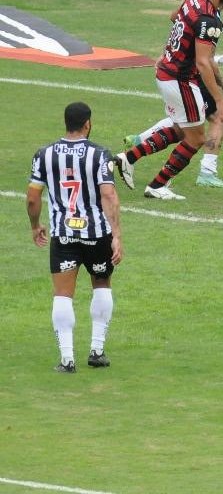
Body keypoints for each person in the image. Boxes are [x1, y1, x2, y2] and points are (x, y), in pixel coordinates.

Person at [113, 0, 223, 201]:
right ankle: (157, 185)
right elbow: (203, 62)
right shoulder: (209, 19)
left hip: (168, 73)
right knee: (197, 138)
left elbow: (175, 18)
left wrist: (172, 51)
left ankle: (127, 158)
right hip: (181, 79)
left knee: (183, 130)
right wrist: (221, 101)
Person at [27, 102, 124, 373]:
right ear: (88, 123)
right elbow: (108, 195)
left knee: (62, 295)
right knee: (102, 284)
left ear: (65, 123)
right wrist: (116, 235)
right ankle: (96, 350)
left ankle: (67, 359)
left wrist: (36, 226)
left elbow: (33, 197)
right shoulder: (100, 154)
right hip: (96, 235)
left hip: (64, 235)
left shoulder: (44, 154)